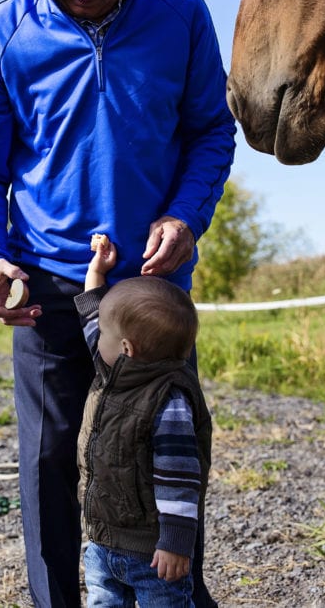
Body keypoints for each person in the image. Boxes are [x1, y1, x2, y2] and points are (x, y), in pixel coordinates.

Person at [0, 0, 235, 604]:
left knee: (165, 452)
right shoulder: (5, 33)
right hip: (44, 287)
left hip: (148, 291)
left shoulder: (182, 14)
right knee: (49, 460)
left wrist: (185, 216)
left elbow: (211, 132)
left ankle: (176, 595)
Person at [74, 236, 212, 608]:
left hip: (152, 555)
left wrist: (176, 544)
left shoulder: (170, 404)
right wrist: (96, 273)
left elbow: (180, 479)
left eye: (104, 334)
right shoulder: (112, 373)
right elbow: (93, 319)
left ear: (127, 349)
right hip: (102, 543)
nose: (95, 336)